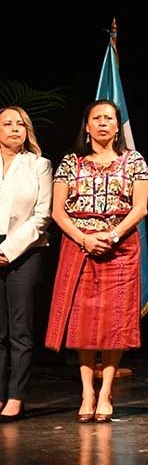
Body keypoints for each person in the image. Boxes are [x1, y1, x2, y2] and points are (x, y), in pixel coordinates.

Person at [45, 100, 148, 423]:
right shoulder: (70, 162)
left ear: (118, 126)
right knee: (83, 323)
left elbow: (140, 208)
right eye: (97, 118)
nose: (103, 123)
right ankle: (87, 391)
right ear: (87, 126)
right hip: (79, 246)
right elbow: (57, 211)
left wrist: (113, 235)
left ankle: (105, 393)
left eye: (109, 118)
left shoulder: (133, 161)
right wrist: (84, 238)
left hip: (120, 247)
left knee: (113, 323)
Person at [0, 107, 53, 422]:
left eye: (21, 124)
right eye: (7, 124)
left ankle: (16, 397)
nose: (14, 129)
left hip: (26, 250)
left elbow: (43, 214)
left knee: (20, 329)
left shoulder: (39, 165)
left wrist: (8, 250)